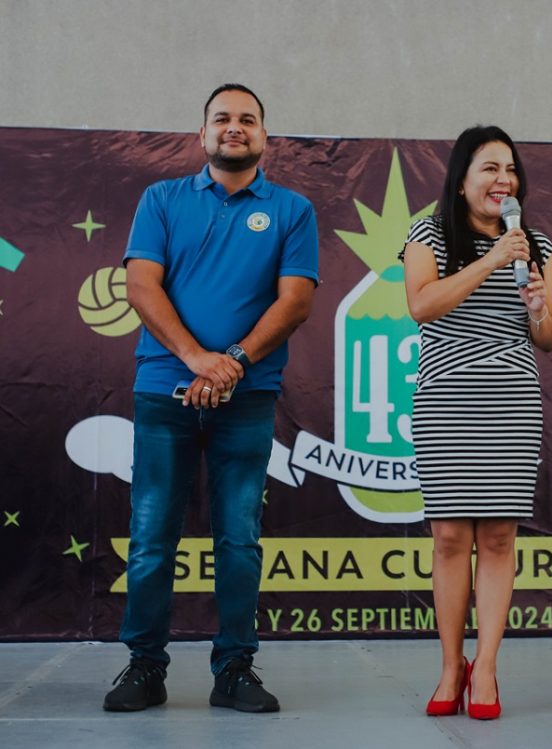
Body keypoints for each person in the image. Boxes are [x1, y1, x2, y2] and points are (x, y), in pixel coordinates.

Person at [103, 83, 319, 713]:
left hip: (247, 399)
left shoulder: (292, 210)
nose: (234, 127)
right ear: (202, 134)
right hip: (163, 390)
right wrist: (200, 360)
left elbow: (296, 301)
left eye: (247, 119)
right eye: (222, 118)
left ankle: (234, 670)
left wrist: (234, 364)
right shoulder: (162, 199)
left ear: (264, 137)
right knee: (151, 537)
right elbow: (141, 286)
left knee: (239, 540)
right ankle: (145, 667)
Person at [400, 125, 552, 719]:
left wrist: (538, 309)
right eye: (490, 168)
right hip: (447, 399)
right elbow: (422, 305)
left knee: (497, 536)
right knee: (449, 536)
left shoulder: (536, 243)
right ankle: (451, 665)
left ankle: (486, 665)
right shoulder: (429, 234)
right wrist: (492, 259)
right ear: (462, 179)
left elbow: (550, 337)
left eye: (510, 169)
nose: (503, 180)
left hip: (511, 400)